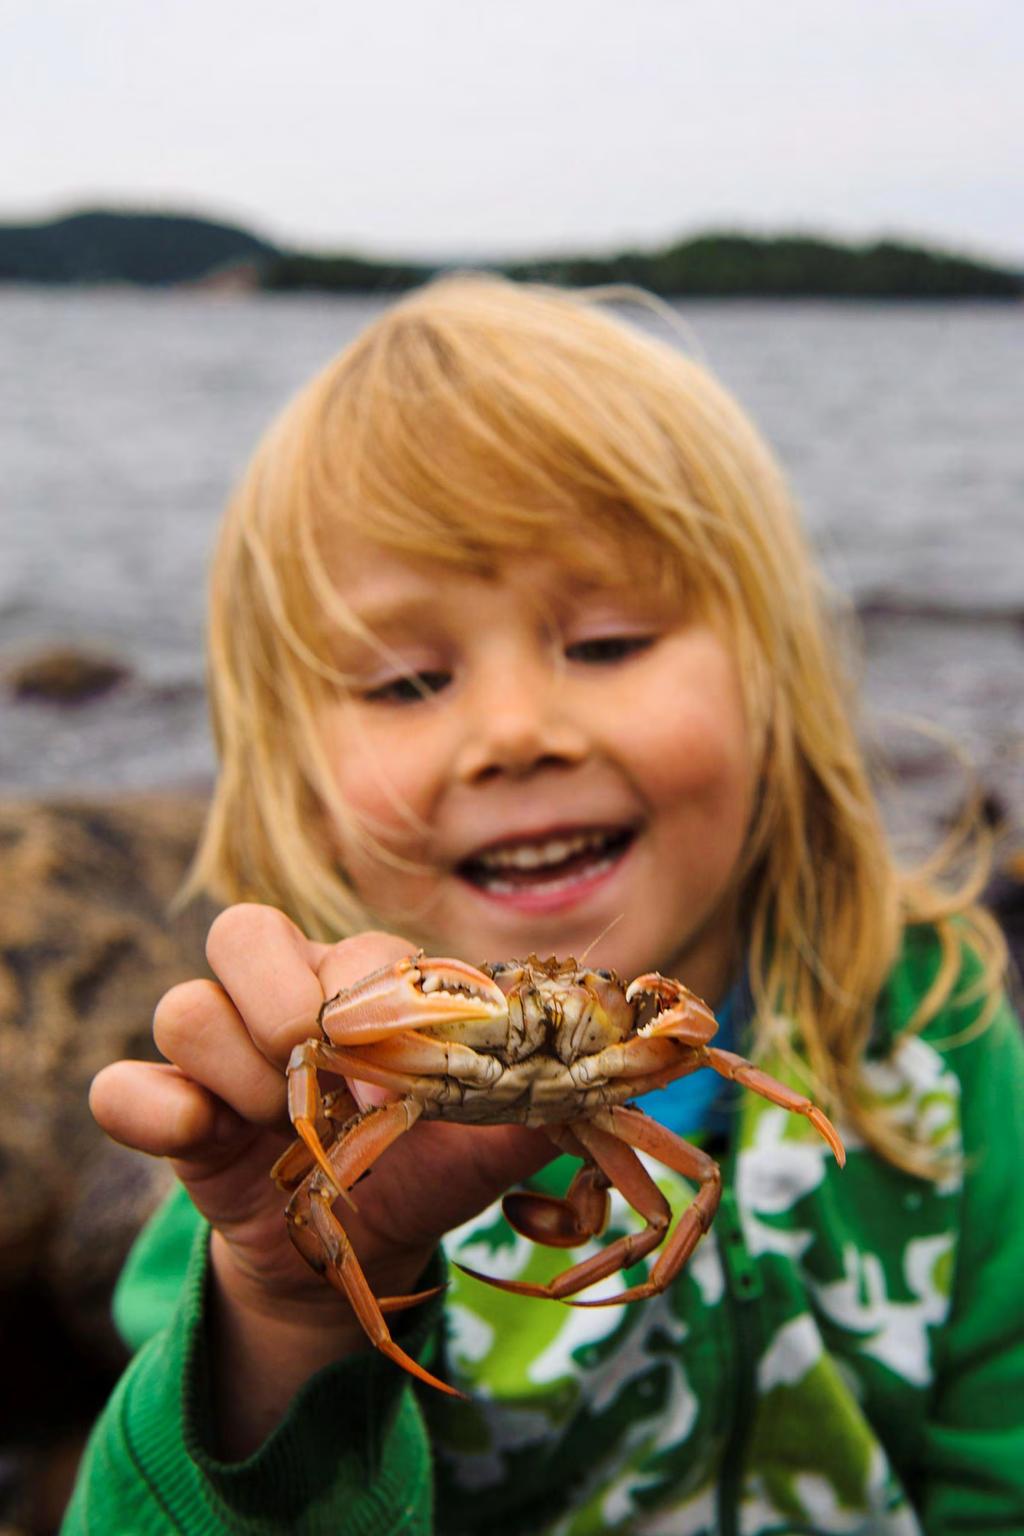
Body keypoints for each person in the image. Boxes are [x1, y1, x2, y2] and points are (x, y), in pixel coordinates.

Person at [64, 276, 1023, 1535]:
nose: (512, 734)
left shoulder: (940, 1043)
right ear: (295, 792)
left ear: (778, 680)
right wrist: (291, 1314)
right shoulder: (267, 1179)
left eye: (609, 642)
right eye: (408, 681)